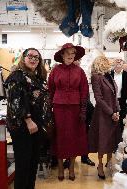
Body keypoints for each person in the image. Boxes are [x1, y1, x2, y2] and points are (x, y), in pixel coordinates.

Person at [4, 48, 52, 189]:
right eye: (30, 56)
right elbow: (16, 101)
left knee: (32, 164)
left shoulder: (36, 77)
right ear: (23, 58)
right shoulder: (17, 76)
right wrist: (28, 120)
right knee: (23, 164)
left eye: (36, 57)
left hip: (36, 126)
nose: (33, 59)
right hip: (23, 126)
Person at [48, 43, 89, 181]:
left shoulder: (80, 71)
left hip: (75, 108)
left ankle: (71, 166)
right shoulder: (55, 70)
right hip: (58, 108)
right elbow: (50, 90)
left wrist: (83, 110)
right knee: (59, 137)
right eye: (68, 53)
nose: (71, 55)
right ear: (62, 55)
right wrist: (49, 109)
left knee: (74, 138)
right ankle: (60, 166)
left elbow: (84, 91)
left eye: (73, 53)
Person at [89, 55, 122, 180]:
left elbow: (115, 96)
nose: (110, 64)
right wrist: (111, 113)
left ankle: (109, 163)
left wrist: (117, 111)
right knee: (102, 141)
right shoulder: (96, 77)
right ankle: (100, 165)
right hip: (103, 114)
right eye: (107, 62)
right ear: (101, 63)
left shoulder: (109, 76)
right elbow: (98, 98)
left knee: (111, 140)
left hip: (113, 113)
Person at [111, 58, 127, 132]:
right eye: (117, 60)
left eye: (120, 60)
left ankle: (120, 136)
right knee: (111, 118)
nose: (118, 61)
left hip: (122, 100)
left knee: (121, 118)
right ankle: (112, 135)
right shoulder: (109, 74)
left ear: (123, 64)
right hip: (111, 100)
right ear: (114, 63)